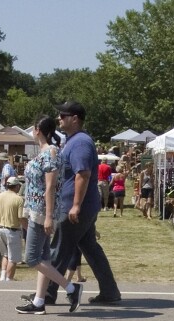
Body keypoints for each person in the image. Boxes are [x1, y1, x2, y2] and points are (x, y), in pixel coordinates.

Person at [43, 100, 121, 308]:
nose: (59, 119)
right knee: (90, 248)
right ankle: (110, 291)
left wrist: (76, 205)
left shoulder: (80, 143)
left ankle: (47, 293)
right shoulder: (72, 140)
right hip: (80, 207)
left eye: (63, 116)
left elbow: (83, 174)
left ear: (75, 119)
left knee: (59, 248)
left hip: (75, 208)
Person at [16, 116, 78, 315]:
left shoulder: (51, 152)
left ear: (38, 130)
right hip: (37, 209)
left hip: (42, 211)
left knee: (32, 258)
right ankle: (39, 301)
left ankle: (71, 288)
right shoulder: (45, 152)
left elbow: (50, 186)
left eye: (34, 128)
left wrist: (49, 216)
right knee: (44, 258)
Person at [0, 175, 25, 282]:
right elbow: (20, 217)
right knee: (13, 258)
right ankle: (9, 279)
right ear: (17, 186)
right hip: (12, 230)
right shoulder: (18, 199)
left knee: (5, 254)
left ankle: (2, 276)